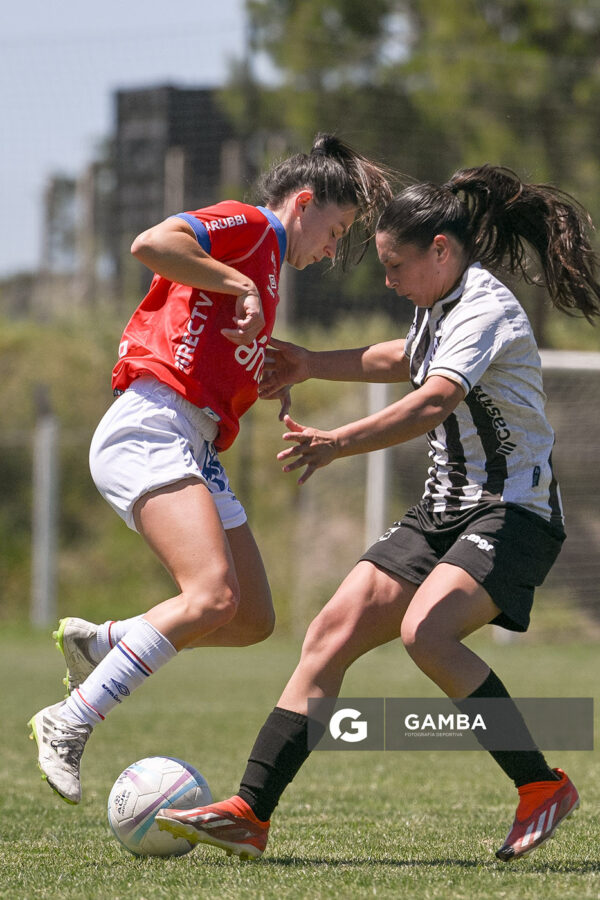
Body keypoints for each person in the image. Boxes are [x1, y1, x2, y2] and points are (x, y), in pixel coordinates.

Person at [155, 165, 600, 862]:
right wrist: (309, 361)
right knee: (330, 632)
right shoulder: (438, 304)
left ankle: (541, 787)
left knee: (429, 632)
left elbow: (430, 400)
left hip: (512, 513)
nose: (388, 280)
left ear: (442, 252)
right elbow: (407, 357)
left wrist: (339, 442)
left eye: (396, 266)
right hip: (441, 511)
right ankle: (251, 812)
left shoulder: (485, 306)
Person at [28, 133, 394, 805]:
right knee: (211, 595)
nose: (332, 250)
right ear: (304, 203)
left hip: (192, 441)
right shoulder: (252, 227)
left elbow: (214, 344)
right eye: (335, 230)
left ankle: (106, 643)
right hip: (151, 425)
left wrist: (265, 375)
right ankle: (70, 719)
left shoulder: (272, 274)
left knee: (249, 616)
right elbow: (151, 243)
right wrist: (236, 282)